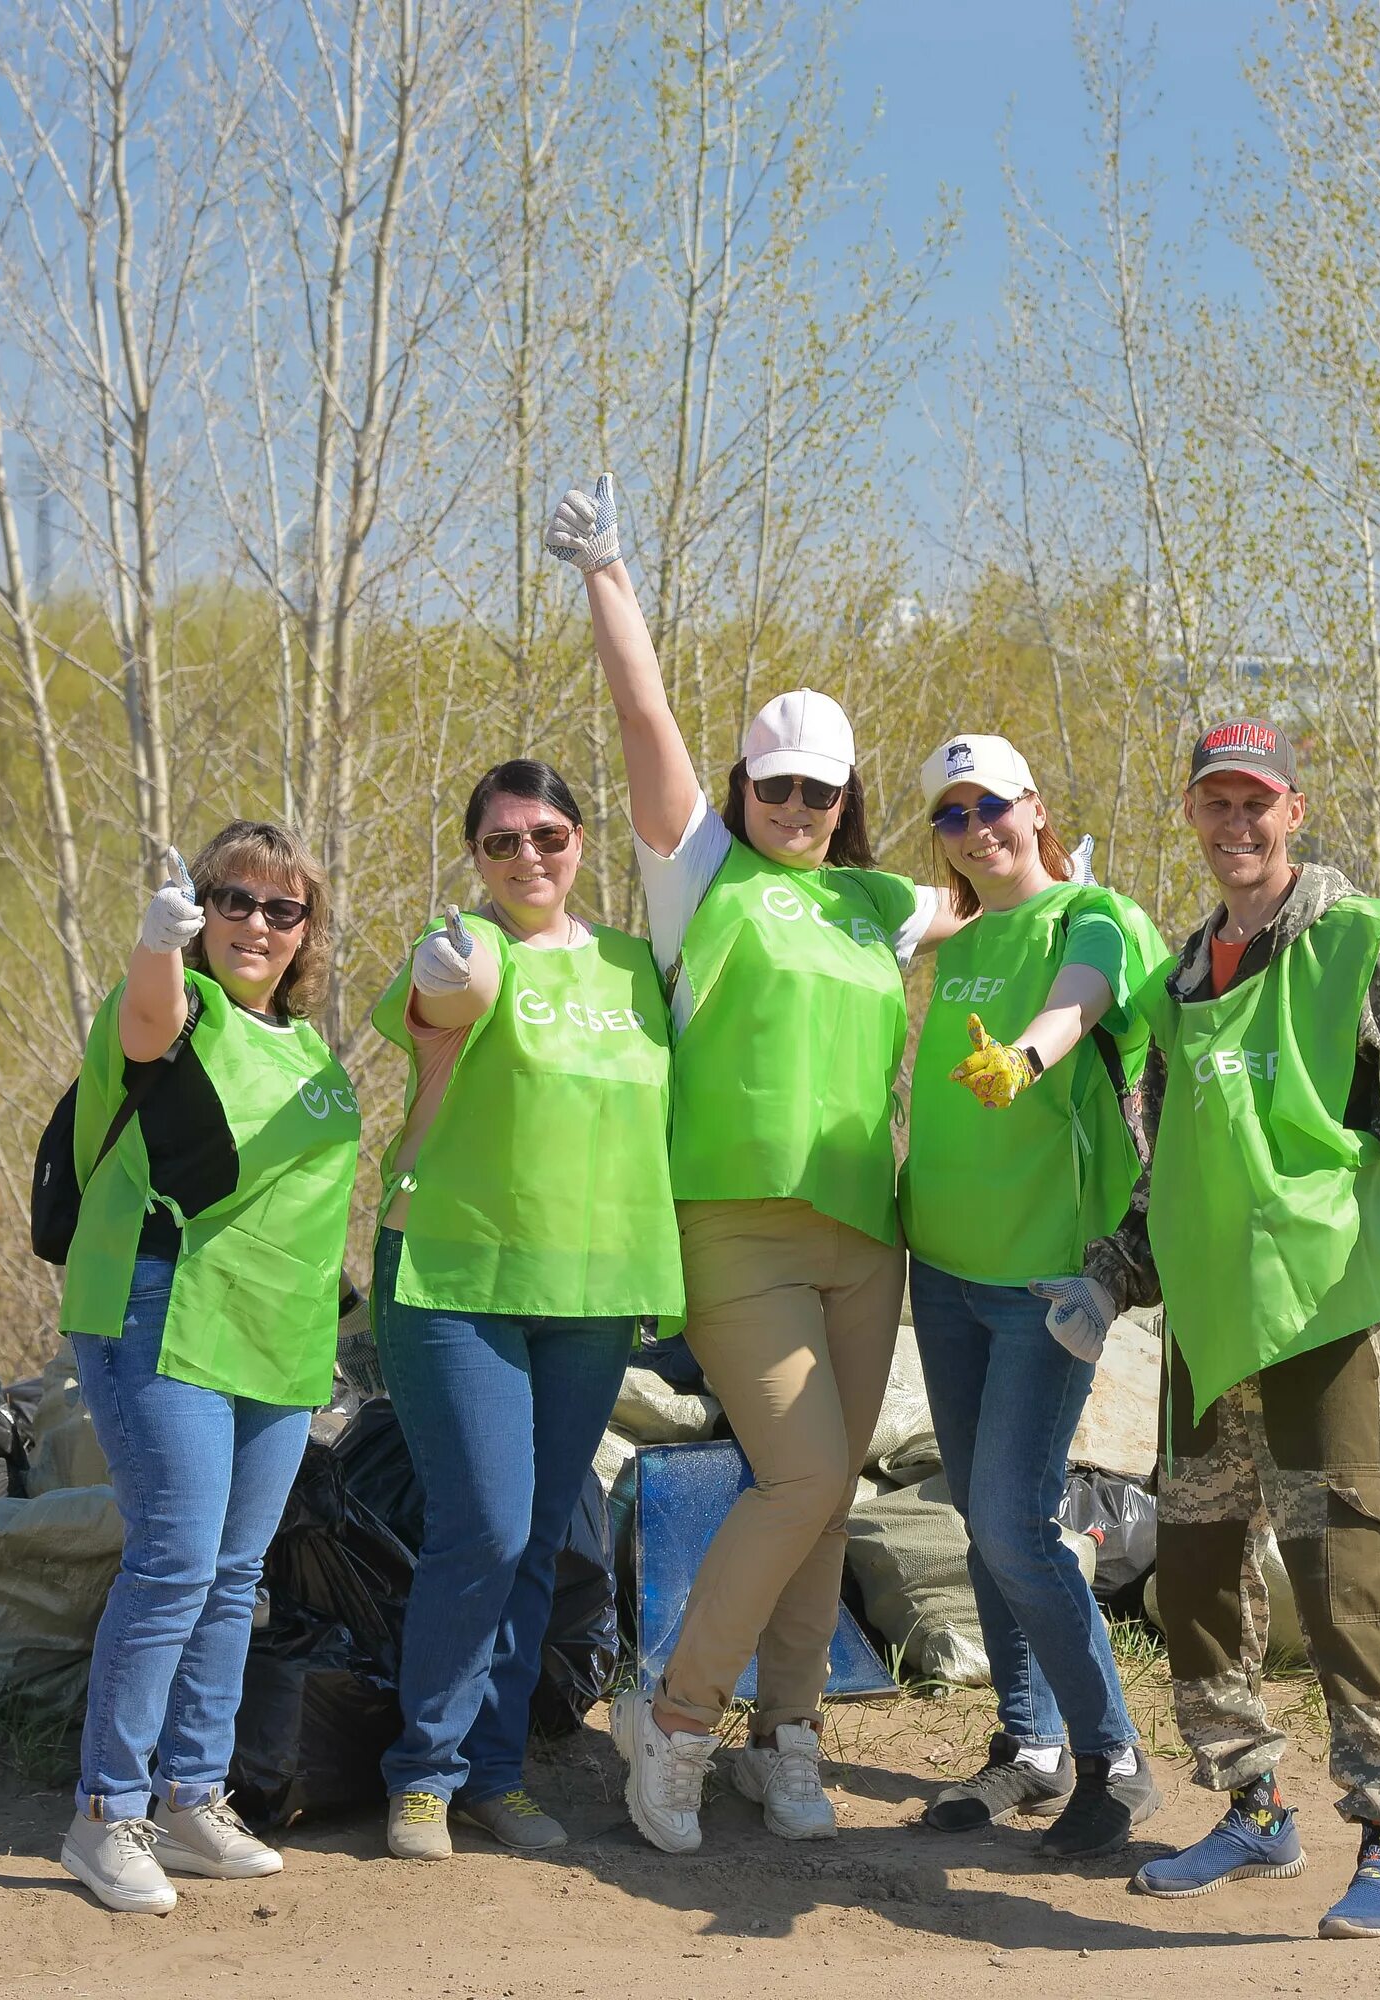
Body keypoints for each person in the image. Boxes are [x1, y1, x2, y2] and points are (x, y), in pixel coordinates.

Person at [543, 474, 960, 1852]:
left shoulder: (876, 904)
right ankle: (671, 1721)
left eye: (819, 791)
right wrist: (610, 572)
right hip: (734, 1229)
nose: (795, 805)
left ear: (848, 802)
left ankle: (790, 1742)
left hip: (865, 1234)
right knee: (799, 1476)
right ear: (745, 788)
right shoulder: (699, 878)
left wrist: (1091, 918)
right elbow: (643, 718)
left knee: (828, 1495)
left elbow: (1003, 892)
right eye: (775, 785)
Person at [1086, 719, 1380, 1938]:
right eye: (1215, 805)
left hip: (1318, 1311)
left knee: (1341, 1570)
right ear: (1194, 817)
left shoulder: (1349, 941)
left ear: (1294, 811)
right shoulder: (1175, 982)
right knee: (1201, 1572)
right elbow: (1170, 1175)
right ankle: (1253, 1804)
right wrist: (1110, 1274)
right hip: (1209, 1328)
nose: (1236, 827)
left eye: (1256, 804)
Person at [366, 760, 678, 1861]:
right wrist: (444, 970)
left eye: (546, 833)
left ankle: (497, 1774)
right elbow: (440, 995)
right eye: (500, 843)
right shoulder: (472, 945)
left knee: (540, 1536)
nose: (527, 856)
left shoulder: (641, 969)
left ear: (581, 839)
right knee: (485, 1525)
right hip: (455, 1277)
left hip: (591, 1291)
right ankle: (425, 1773)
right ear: (476, 860)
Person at [56, 821, 361, 1916]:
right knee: (176, 1562)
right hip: (160, 1312)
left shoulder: (315, 1054)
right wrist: (155, 945)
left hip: (277, 1340)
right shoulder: (181, 1009)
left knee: (237, 1574)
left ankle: (192, 1796)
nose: (258, 925)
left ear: (307, 932)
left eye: (286, 909)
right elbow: (147, 1023)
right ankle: (105, 1814)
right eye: (236, 899)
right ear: (204, 911)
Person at [898, 732, 1171, 1858]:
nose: (977, 830)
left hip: (1047, 1281)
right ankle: (1032, 1744)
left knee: (1017, 1518)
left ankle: (1115, 1754)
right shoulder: (957, 931)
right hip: (944, 1268)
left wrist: (1028, 1052)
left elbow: (1082, 994)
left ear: (1036, 805)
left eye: (992, 805)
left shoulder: (1092, 912)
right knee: (981, 1511)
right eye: (952, 816)